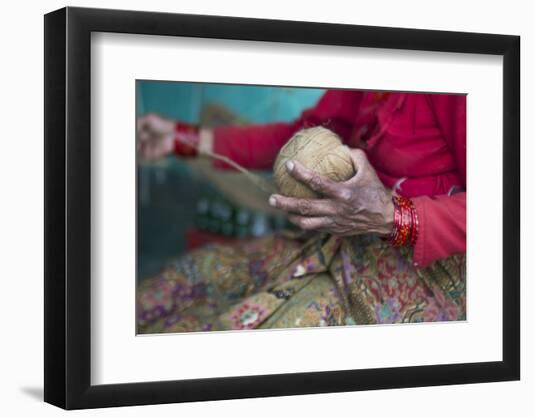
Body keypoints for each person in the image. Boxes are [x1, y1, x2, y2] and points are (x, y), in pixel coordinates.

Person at [136, 89, 466, 333]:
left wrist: (393, 217)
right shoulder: (373, 72)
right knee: (190, 277)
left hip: (424, 274)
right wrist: (183, 139)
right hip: (342, 242)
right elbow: (295, 138)